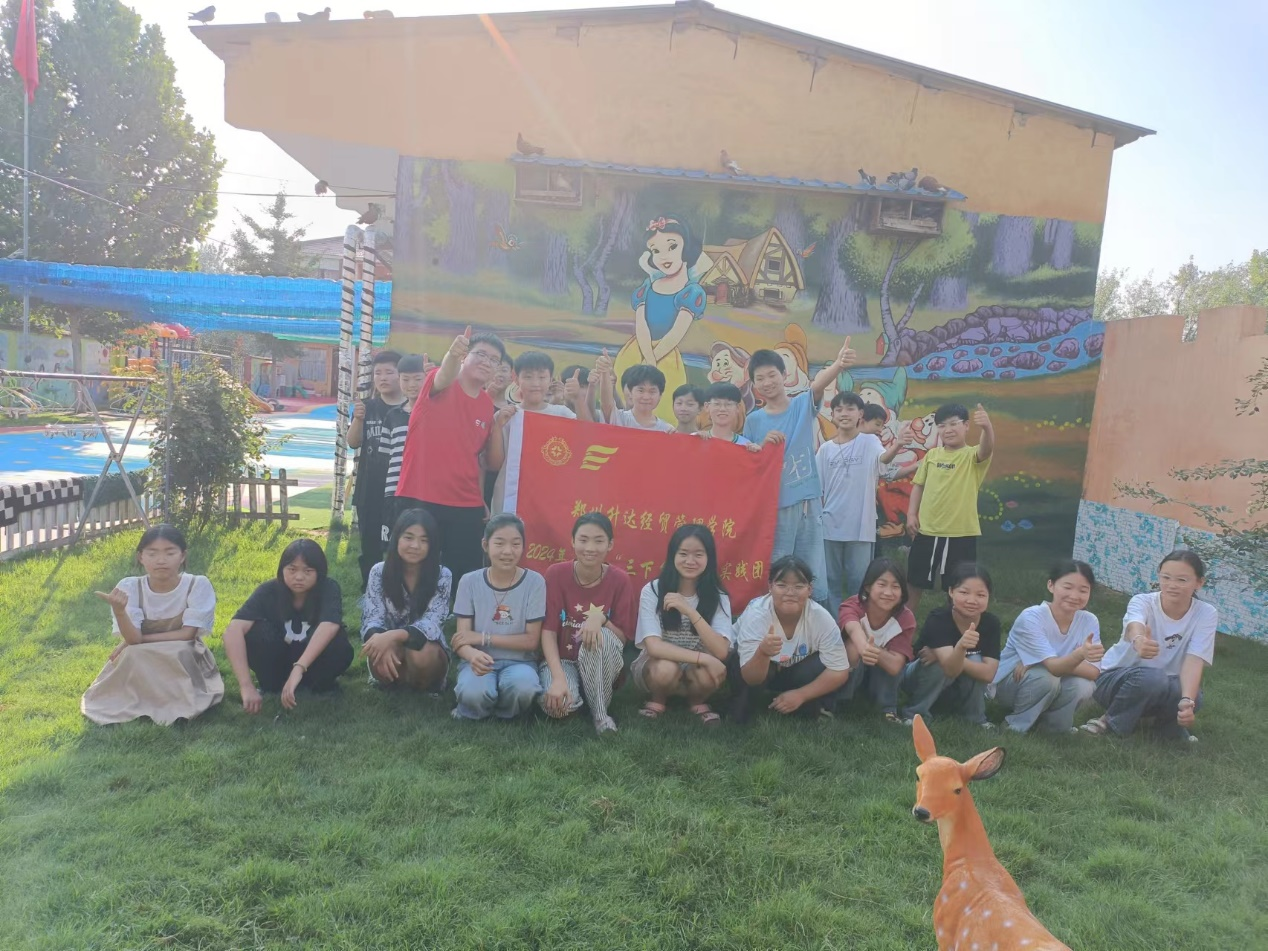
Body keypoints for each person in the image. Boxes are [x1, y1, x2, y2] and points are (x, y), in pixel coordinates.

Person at [742, 338, 857, 607]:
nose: (767, 382)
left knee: (811, 568)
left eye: (772, 375)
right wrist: (762, 445)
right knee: (777, 566)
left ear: (784, 375)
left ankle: (816, 622)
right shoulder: (753, 420)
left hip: (806, 502)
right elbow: (750, 462)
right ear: (754, 385)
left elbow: (817, 386)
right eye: (760, 378)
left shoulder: (800, 406)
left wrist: (838, 365)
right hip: (774, 506)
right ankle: (774, 618)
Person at [394, 326, 508, 585]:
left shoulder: (486, 405)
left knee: (464, 576)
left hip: (466, 503)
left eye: (494, 360)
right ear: (465, 356)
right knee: (413, 571)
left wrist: (480, 498)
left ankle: (456, 610)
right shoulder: (439, 382)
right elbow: (445, 374)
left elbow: (478, 459)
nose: (487, 362)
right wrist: (452, 354)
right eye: (481, 354)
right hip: (420, 495)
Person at [82, 525, 223, 725]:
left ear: (182, 556)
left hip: (182, 648)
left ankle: (174, 702)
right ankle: (137, 700)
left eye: (170, 553)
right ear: (141, 557)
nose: (161, 560)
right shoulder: (130, 587)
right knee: (134, 653)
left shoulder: (196, 585)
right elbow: (133, 639)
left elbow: (187, 635)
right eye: (152, 553)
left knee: (177, 651)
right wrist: (120, 613)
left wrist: (138, 640)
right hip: (141, 650)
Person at [1082, 550, 1216, 742]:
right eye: (1166, 577)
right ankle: (1111, 723)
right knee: (1152, 678)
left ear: (1199, 582)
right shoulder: (1142, 601)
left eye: (1182, 580)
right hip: (1114, 680)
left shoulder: (1206, 613)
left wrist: (1187, 701)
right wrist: (1139, 640)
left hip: (1163, 685)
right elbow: (1134, 624)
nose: (1172, 585)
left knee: (1193, 695)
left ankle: (1168, 731)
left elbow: (1194, 659)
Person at [222, 539, 352, 714]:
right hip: (278, 662)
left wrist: (299, 668)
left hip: (314, 664)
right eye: (292, 569)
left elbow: (329, 625)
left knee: (337, 638)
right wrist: (246, 685)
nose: (299, 577)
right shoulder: (268, 591)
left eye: (308, 571)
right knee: (254, 633)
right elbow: (233, 631)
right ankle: (272, 686)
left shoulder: (329, 588)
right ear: (281, 569)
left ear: (319, 572)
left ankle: (322, 686)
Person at [539, 513, 637, 734]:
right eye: (583, 540)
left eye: (599, 540)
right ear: (572, 541)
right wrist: (558, 679)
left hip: (601, 663)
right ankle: (579, 695)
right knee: (558, 707)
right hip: (563, 661)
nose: (590, 548)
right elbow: (548, 631)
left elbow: (622, 639)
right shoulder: (555, 574)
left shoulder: (620, 580)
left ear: (610, 544)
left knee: (600, 636)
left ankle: (600, 715)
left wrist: (601, 619)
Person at [730, 556, 850, 723]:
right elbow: (751, 677)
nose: (790, 593)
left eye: (799, 586)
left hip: (793, 668)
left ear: (810, 589)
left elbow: (840, 670)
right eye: (782, 585)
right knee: (742, 712)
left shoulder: (820, 617)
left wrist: (801, 695)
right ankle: (742, 709)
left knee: (820, 663)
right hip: (750, 670)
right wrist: (762, 653)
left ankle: (808, 705)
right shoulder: (757, 614)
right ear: (770, 587)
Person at [632, 525, 733, 725]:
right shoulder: (653, 590)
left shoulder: (718, 595)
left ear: (709, 558)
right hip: (656, 664)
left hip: (696, 669)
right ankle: (658, 700)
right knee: (665, 670)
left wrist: (690, 611)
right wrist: (704, 658)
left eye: (698, 555)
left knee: (707, 674)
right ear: (673, 555)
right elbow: (654, 647)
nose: (690, 561)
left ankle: (696, 701)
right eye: (683, 554)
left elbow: (721, 650)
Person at [450, 514, 546, 720]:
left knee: (524, 687)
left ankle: (504, 712)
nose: (507, 551)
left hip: (519, 662)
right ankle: (476, 707)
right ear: (485, 545)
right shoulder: (469, 582)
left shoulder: (535, 582)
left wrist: (483, 638)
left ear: (523, 547)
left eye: (515, 544)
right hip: (479, 660)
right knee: (473, 692)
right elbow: (461, 639)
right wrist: (472, 655)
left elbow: (531, 641)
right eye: (499, 543)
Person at [614, 215, 708, 424]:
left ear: (686, 248)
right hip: (636, 351)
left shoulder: (691, 292)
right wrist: (647, 358)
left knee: (665, 409)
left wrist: (653, 360)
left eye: (672, 247)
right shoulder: (647, 287)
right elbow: (641, 325)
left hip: (665, 356)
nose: (664, 256)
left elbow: (676, 333)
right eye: (656, 250)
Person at [817, 391, 903, 614]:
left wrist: (897, 446)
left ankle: (857, 623)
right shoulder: (825, 450)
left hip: (860, 526)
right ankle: (834, 626)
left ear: (860, 414)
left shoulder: (869, 441)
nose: (844, 414)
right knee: (830, 581)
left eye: (850, 409)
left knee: (860, 581)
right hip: (829, 526)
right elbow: (818, 489)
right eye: (839, 410)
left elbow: (882, 460)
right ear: (833, 415)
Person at [993, 560, 1103, 734]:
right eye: (1067, 587)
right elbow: (1054, 668)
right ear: (1051, 585)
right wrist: (1077, 656)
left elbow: (1093, 672)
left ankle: (1053, 729)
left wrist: (1040, 662)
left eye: (1083, 590)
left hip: (1050, 679)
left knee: (1084, 685)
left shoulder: (1089, 620)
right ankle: (1014, 727)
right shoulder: (1031, 617)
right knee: (1047, 678)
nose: (1075, 595)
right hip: (1012, 683)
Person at [905, 403, 995, 611]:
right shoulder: (932, 456)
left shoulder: (972, 456)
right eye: (942, 425)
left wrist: (987, 427)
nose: (948, 430)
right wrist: (911, 514)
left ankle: (955, 626)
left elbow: (986, 449)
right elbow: (918, 486)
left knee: (959, 586)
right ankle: (905, 626)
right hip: (926, 531)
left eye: (954, 424)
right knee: (914, 581)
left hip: (961, 534)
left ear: (966, 426)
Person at [361, 509, 452, 691]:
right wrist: (380, 638)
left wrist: (394, 635)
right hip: (389, 644)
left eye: (424, 540)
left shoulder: (442, 575)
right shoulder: (379, 571)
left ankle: (426, 684)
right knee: (380, 649)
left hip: (426, 647)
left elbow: (432, 622)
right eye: (408, 537)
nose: (415, 546)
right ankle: (396, 682)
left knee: (420, 654)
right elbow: (372, 617)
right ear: (396, 539)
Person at [900, 562, 1000, 726]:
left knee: (975, 660)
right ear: (951, 591)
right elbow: (949, 669)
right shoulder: (938, 619)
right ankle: (915, 713)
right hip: (918, 678)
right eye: (964, 592)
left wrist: (955, 655)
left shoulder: (991, 624)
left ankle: (975, 719)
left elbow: (989, 674)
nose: (972, 600)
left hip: (956, 683)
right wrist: (960, 648)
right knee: (939, 663)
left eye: (981, 595)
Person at [486, 350, 576, 515]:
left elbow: (587, 438)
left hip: (550, 500)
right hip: (510, 499)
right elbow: (494, 465)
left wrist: (577, 399)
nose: (535, 383)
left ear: (551, 379)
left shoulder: (563, 414)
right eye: (528, 377)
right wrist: (497, 428)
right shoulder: (505, 416)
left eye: (542, 377)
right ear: (516, 379)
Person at [348, 350, 404, 587]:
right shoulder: (367, 407)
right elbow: (353, 442)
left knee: (399, 540)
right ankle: (370, 590)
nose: (382, 378)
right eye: (378, 373)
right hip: (369, 488)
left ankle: (398, 586)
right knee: (370, 542)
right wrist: (358, 419)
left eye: (389, 372)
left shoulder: (410, 409)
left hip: (399, 489)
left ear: (401, 375)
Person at [838, 558, 917, 723]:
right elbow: (852, 628)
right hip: (853, 665)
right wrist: (864, 647)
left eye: (895, 586)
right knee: (852, 648)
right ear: (868, 586)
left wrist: (873, 650)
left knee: (894, 657)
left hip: (882, 670)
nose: (888, 592)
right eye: (882, 584)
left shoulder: (905, 617)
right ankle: (840, 701)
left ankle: (886, 708)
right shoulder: (853, 604)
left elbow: (895, 666)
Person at [381, 354, 429, 546]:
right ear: (399, 380)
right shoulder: (393, 416)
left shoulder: (435, 413)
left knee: (425, 540)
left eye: (418, 379)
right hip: (395, 490)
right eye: (406, 379)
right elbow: (386, 457)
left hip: (426, 491)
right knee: (396, 542)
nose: (412, 385)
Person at [594, 354, 675, 433]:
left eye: (652, 392)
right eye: (641, 390)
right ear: (630, 393)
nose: (646, 397)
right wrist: (605, 372)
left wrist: (674, 437)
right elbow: (606, 404)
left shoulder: (666, 430)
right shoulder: (620, 419)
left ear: (660, 395)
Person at [483, 352, 515, 507]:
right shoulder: (474, 401)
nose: (499, 374)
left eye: (504, 370)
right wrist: (487, 396)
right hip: (477, 473)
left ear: (512, 377)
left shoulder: (515, 410)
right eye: (496, 368)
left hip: (504, 477)